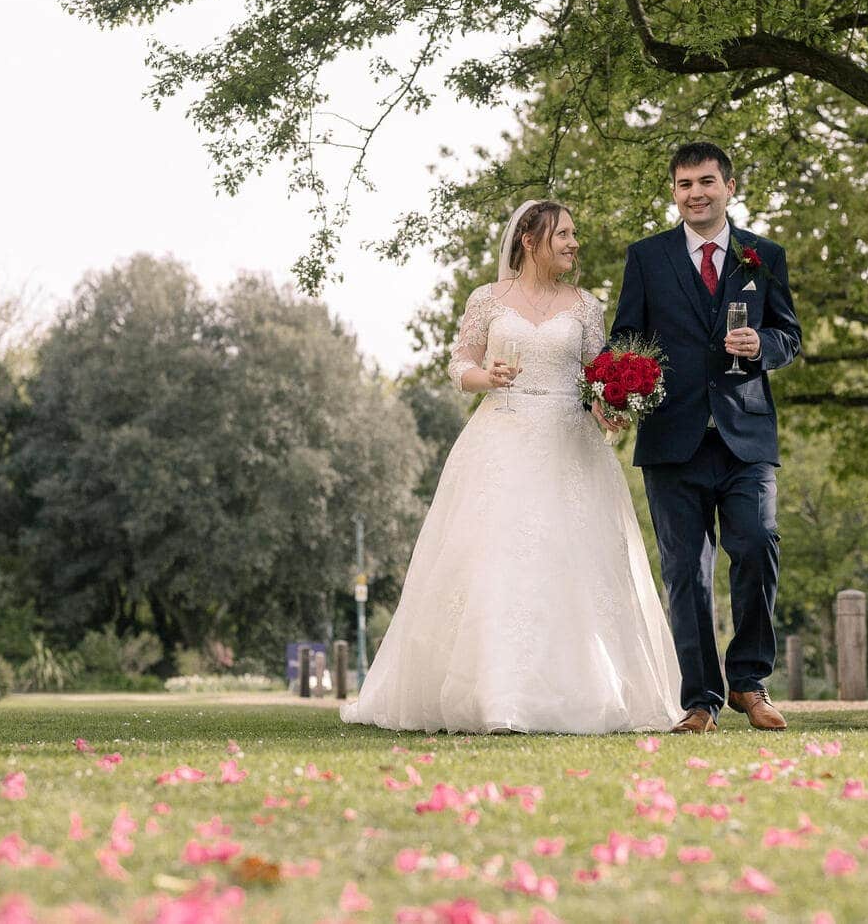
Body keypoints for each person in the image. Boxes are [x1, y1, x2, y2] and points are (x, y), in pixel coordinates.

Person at [341, 201, 683, 734]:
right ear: (529, 239)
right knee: (497, 563)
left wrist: (611, 402)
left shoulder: (587, 307)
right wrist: (487, 375)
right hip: (500, 439)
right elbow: (460, 363)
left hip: (571, 447)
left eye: (574, 234)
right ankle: (499, 698)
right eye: (564, 234)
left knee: (573, 563)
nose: (574, 243)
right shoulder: (487, 300)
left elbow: (596, 375)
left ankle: (586, 692)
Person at [608, 142, 803, 733]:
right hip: (672, 438)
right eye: (685, 183)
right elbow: (626, 340)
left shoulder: (762, 256)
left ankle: (749, 682)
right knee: (685, 572)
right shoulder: (646, 258)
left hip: (747, 435)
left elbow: (789, 336)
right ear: (674, 192)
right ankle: (700, 701)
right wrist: (620, 389)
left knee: (757, 544)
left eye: (707, 181)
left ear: (729, 186)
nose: (696, 192)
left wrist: (763, 346)